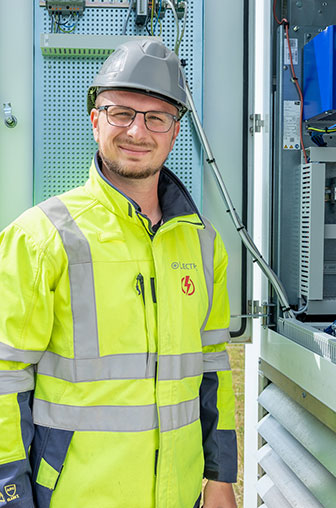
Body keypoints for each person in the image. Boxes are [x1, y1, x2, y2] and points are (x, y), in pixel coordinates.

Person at [0, 38, 237, 508]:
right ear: (95, 120)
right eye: (121, 112)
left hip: (181, 494)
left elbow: (214, 368)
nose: (137, 131)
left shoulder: (205, 243)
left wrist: (220, 477)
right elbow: (5, 377)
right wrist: (10, 495)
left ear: (174, 132)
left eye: (156, 118)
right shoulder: (41, 236)